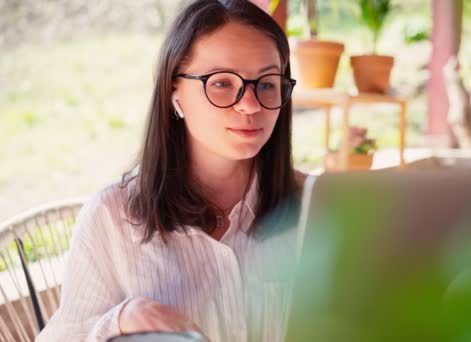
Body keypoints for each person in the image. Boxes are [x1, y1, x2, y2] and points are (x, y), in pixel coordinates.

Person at [37, 1, 303, 341]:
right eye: (221, 83)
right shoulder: (111, 217)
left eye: (267, 83)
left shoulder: (315, 207)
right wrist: (117, 321)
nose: (250, 105)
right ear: (173, 91)